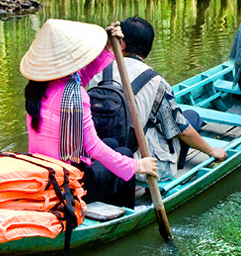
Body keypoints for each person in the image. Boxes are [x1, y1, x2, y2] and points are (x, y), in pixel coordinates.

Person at [20, 19, 159, 209]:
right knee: (125, 153)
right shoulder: (75, 95)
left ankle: (109, 196)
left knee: (111, 143)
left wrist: (108, 47)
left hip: (43, 169)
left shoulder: (37, 89)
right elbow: (93, 147)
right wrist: (137, 166)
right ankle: (124, 211)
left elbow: (81, 78)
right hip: (67, 183)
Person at [89, 17, 227, 180]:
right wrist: (211, 150)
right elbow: (180, 129)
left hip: (102, 154)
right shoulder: (154, 81)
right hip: (141, 164)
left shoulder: (97, 71)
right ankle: (178, 165)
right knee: (191, 118)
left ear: (122, 43)